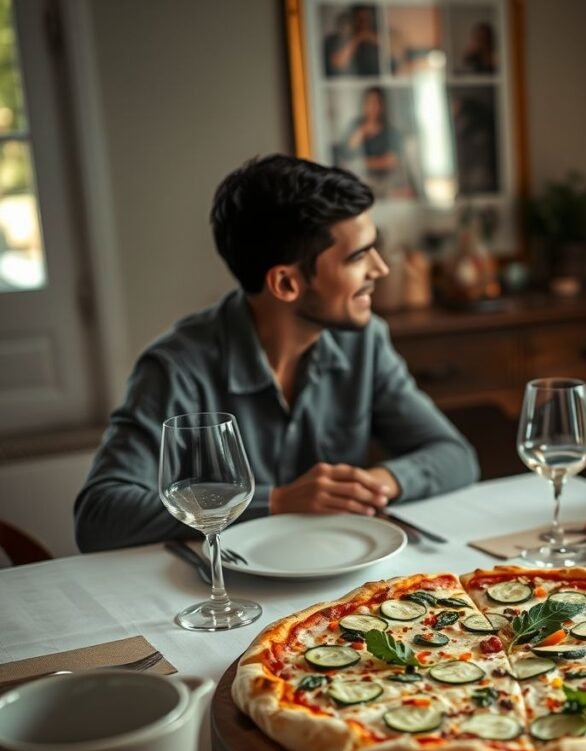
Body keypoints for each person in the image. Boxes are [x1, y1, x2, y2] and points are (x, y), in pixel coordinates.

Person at [74, 155, 478, 552]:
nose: (380, 269)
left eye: (375, 249)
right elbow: (100, 515)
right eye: (357, 257)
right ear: (285, 283)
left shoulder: (365, 342)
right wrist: (279, 501)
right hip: (221, 596)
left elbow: (456, 456)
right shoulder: (176, 368)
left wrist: (374, 484)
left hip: (339, 580)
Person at [333, 87, 403, 187]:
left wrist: (363, 163)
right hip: (357, 180)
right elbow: (344, 155)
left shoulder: (390, 131)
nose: (372, 107)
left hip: (385, 182)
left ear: (382, 106)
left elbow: (391, 161)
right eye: (369, 102)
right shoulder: (356, 126)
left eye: (376, 102)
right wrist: (360, 133)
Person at [323, 5, 380, 78]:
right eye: (360, 20)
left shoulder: (378, 35)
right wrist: (358, 38)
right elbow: (338, 63)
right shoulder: (335, 40)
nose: (363, 23)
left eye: (367, 19)